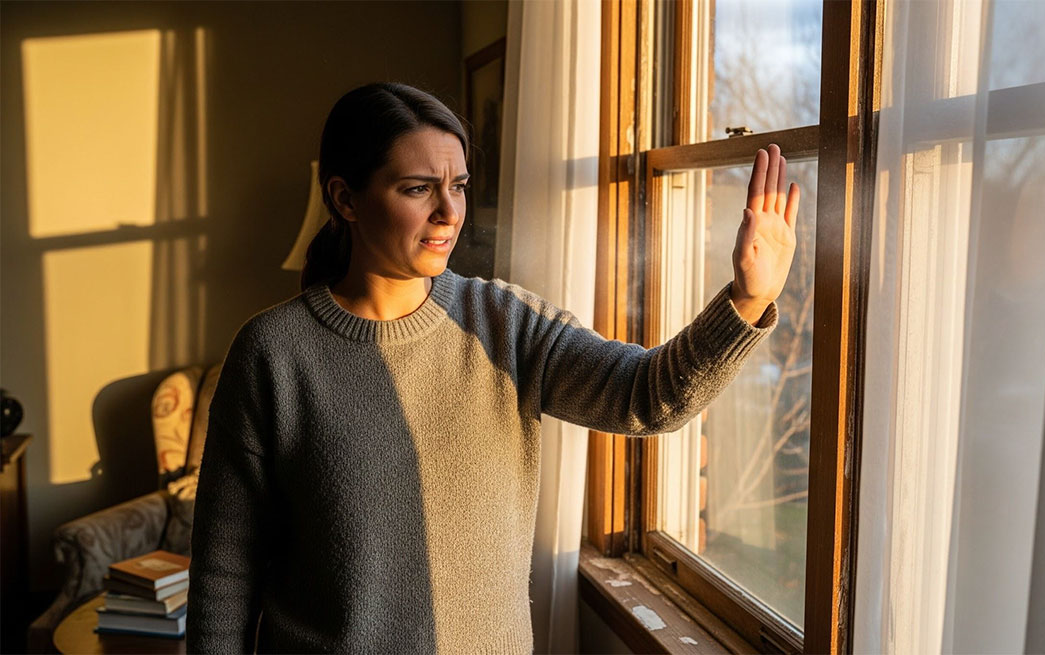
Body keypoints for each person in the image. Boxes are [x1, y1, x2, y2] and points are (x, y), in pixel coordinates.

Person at [187, 82, 799, 654]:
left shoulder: (507, 323)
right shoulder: (272, 352)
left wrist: (746, 299)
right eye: (418, 188)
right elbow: (224, 571)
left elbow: (648, 396)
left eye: (458, 186)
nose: (450, 212)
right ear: (346, 198)